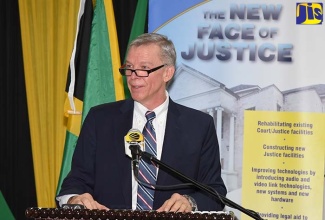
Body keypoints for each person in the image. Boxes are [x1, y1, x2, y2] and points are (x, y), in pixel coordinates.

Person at [57, 33, 227, 213]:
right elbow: (75, 182)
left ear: (167, 72)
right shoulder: (100, 120)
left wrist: (190, 202)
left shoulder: (199, 126)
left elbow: (215, 191)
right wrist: (75, 198)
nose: (133, 76)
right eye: (129, 68)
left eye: (144, 68)